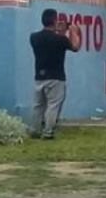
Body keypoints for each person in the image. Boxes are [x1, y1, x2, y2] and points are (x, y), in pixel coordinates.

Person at [30, 9, 82, 139]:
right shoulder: (60, 39)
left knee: (38, 105)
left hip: (39, 77)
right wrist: (73, 32)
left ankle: (35, 130)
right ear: (54, 20)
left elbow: (54, 41)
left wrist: (61, 32)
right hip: (56, 77)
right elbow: (75, 47)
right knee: (53, 105)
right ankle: (48, 132)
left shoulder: (34, 37)